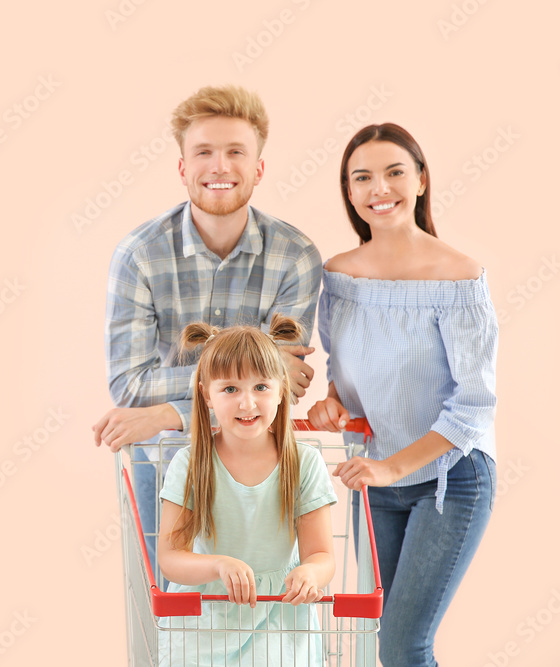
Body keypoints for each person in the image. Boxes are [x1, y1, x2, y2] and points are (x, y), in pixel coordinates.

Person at [92, 85, 323, 573]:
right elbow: (130, 385)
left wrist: (166, 414)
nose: (220, 167)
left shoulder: (295, 257)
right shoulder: (139, 255)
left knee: (266, 613)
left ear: (259, 169)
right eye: (204, 152)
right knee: (174, 622)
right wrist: (247, 374)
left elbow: (282, 386)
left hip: (263, 470)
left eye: (236, 152)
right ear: (182, 168)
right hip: (164, 469)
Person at [307, 123, 497, 667]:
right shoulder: (339, 276)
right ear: (349, 192)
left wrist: (392, 468)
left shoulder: (458, 276)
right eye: (361, 177)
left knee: (402, 646)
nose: (378, 188)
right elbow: (343, 377)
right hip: (375, 485)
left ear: (420, 181)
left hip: (449, 479)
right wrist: (333, 404)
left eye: (394, 172)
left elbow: (474, 406)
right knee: (382, 645)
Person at [157, 315, 337, 666]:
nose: (247, 403)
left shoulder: (305, 463)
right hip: (204, 620)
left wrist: (310, 573)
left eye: (260, 387)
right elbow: (170, 557)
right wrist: (219, 565)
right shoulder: (190, 464)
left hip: (278, 618)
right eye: (230, 389)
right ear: (206, 395)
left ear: (281, 389)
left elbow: (322, 555)